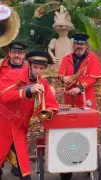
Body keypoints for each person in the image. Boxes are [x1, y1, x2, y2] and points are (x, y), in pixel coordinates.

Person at [0, 51, 59, 180]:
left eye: (41, 68)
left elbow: (52, 105)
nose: (38, 71)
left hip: (19, 128)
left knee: (24, 168)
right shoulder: (14, 74)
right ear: (29, 65)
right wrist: (27, 91)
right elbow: (3, 96)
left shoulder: (43, 83)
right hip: (2, 124)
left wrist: (48, 112)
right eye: (35, 67)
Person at [0, 41, 28, 177]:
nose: (17, 55)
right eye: (14, 52)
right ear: (9, 53)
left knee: (17, 142)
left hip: (19, 113)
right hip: (2, 111)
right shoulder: (1, 67)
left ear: (24, 55)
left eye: (20, 53)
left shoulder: (30, 70)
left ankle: (17, 166)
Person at [58, 33, 101, 109]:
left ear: (86, 45)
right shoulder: (66, 58)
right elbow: (60, 75)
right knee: (70, 118)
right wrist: (63, 78)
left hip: (86, 95)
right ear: (74, 45)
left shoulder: (93, 58)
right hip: (70, 95)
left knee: (86, 119)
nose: (79, 46)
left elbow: (93, 78)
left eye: (82, 44)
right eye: (77, 44)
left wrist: (79, 88)